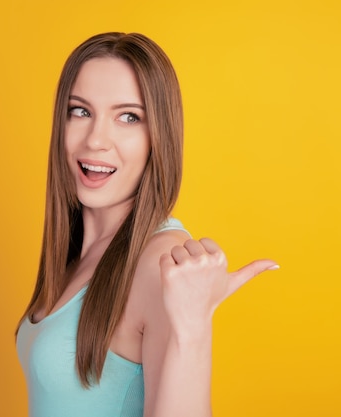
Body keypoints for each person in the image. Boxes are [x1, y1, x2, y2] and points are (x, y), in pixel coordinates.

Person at [15, 32, 278, 417]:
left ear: (159, 137)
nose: (96, 140)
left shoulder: (162, 263)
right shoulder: (81, 250)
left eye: (128, 117)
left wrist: (191, 329)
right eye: (81, 111)